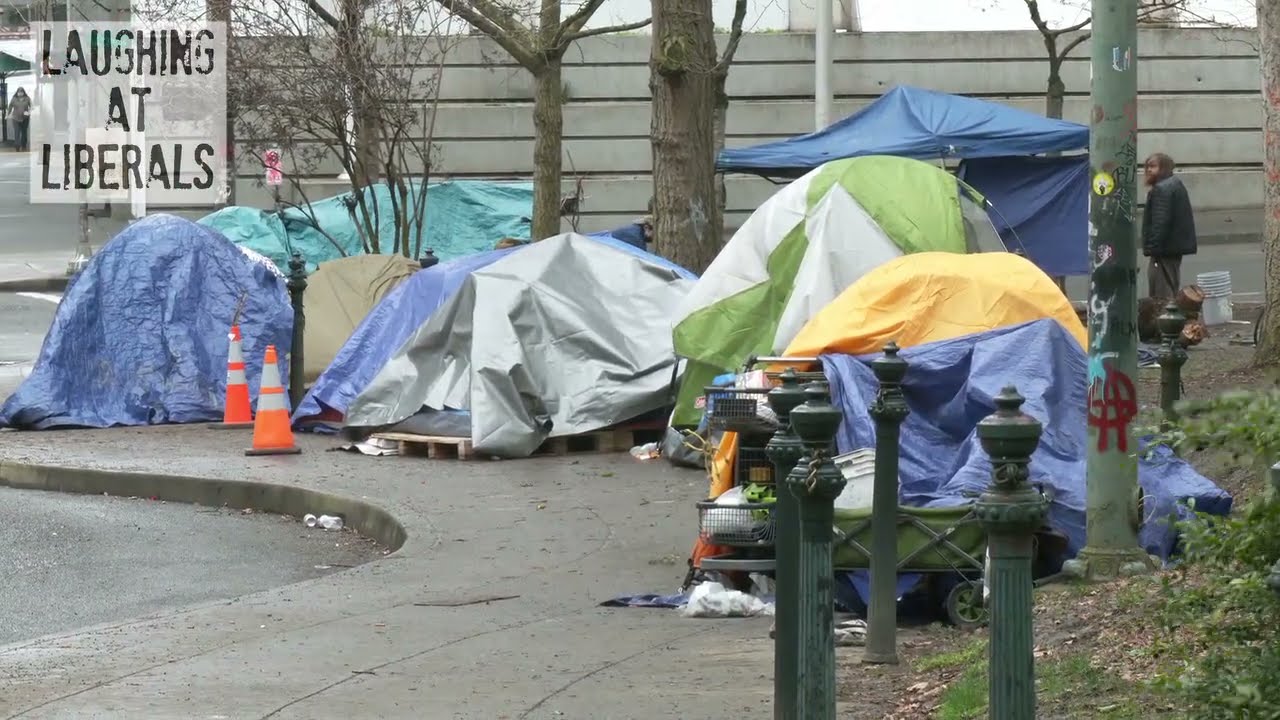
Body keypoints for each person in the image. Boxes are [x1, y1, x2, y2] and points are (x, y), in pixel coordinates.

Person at [1141, 152, 1197, 300]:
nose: (1148, 170)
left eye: (1153, 166)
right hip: (1172, 248)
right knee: (1170, 284)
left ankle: (1164, 320)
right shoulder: (1174, 184)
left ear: (1164, 168)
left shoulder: (1162, 189)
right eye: (1147, 167)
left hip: (1164, 250)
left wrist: (1152, 248)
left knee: (1161, 291)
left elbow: (1160, 222)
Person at [7, 88, 30, 152]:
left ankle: (24, 145)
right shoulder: (14, 99)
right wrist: (8, 114)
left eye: (22, 92)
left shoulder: (27, 98)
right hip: (15, 118)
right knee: (17, 132)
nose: (20, 93)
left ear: (24, 92)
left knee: (24, 132)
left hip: (25, 118)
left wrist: (29, 111)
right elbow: (10, 106)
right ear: (17, 93)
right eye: (19, 92)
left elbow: (31, 105)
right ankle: (17, 146)